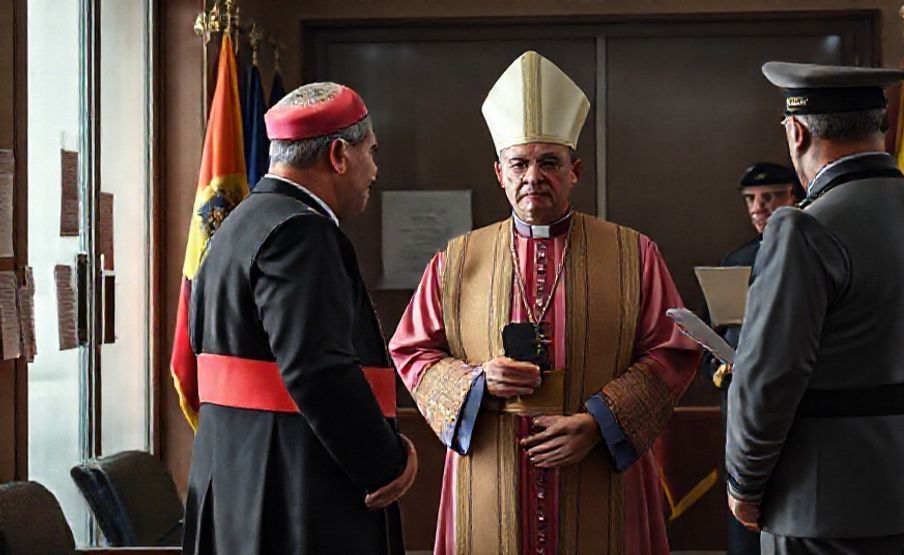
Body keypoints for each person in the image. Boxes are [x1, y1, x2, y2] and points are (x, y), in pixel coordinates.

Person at [390, 51, 700, 554]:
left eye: (549, 162)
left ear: (575, 170)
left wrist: (600, 424)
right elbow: (412, 352)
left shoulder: (632, 254)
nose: (534, 176)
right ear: (500, 173)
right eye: (520, 163)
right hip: (491, 472)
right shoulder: (456, 260)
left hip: (598, 472)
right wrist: (476, 381)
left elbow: (673, 353)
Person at [725, 61, 904, 555]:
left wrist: (745, 483)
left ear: (796, 132)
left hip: (824, 499)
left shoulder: (803, 228)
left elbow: (770, 376)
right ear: (878, 125)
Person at [182, 82, 417, 555]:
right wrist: (386, 464)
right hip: (293, 492)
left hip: (236, 479)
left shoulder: (236, 224)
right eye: (369, 152)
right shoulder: (301, 233)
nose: (375, 169)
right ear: (338, 155)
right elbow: (318, 371)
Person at [706, 161, 800, 555]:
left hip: (790, 408)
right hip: (741, 409)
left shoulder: (807, 251)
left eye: (769, 197)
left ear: (793, 196)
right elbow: (723, 332)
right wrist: (718, 364)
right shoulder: (737, 259)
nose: (758, 207)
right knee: (743, 531)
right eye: (751, 199)